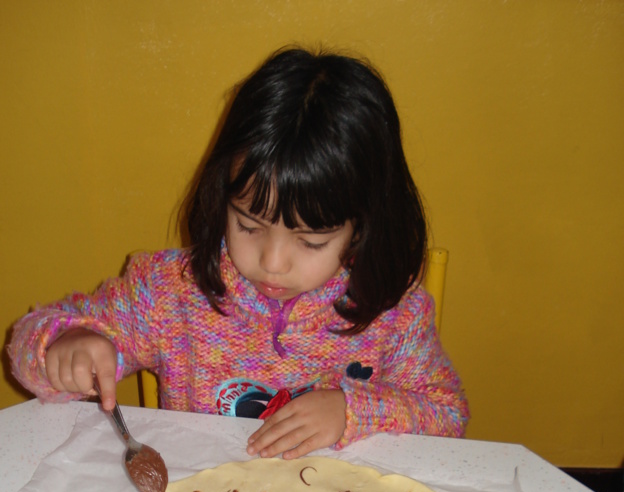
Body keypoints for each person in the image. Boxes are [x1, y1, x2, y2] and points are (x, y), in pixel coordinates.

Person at [8, 47, 469, 459]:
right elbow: (31, 347)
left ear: (361, 227)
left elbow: (447, 414)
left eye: (310, 241)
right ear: (221, 196)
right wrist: (65, 346)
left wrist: (352, 411)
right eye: (249, 225)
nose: (272, 262)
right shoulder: (170, 293)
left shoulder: (393, 311)